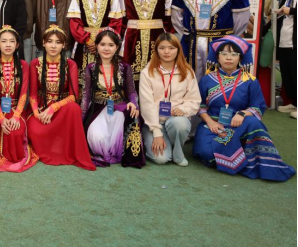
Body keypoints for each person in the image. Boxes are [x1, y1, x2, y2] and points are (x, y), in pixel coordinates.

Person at [193, 36, 295, 181]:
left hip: (238, 125)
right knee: (206, 153)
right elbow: (199, 105)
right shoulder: (207, 80)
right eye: (224, 53)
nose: (229, 58)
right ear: (217, 57)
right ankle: (242, 152)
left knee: (254, 123)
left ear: (240, 58)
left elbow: (257, 106)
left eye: (234, 54)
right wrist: (210, 122)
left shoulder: (250, 81)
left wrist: (242, 113)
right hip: (212, 125)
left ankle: (241, 153)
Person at [28, 25, 95, 170]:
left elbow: (73, 96)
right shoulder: (35, 63)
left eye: (58, 42)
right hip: (41, 109)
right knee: (35, 131)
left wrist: (53, 107)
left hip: (61, 110)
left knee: (74, 108)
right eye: (50, 41)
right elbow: (32, 94)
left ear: (64, 45)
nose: (53, 46)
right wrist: (37, 114)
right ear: (43, 43)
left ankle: (65, 149)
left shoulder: (70, 64)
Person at [0, 26, 38, 172]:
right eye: (4, 41)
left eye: (12, 41)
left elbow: (23, 94)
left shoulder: (23, 65)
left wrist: (16, 116)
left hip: (17, 109)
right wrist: (1, 119)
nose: (8, 45)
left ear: (17, 45)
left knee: (15, 133)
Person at [82, 29, 145, 168]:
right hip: (97, 109)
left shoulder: (125, 67)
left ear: (117, 47)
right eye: (102, 44)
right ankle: (101, 153)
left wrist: (134, 104)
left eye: (111, 45)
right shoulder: (90, 68)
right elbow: (85, 97)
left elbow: (131, 92)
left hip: (119, 108)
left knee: (131, 116)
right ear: (96, 46)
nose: (106, 48)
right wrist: (81, 122)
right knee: (97, 138)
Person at [139, 33, 201, 166]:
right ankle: (162, 143)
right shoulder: (147, 72)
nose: (166, 52)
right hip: (154, 123)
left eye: (171, 48)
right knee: (161, 159)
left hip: (176, 120)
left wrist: (183, 109)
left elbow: (194, 100)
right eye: (162, 48)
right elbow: (147, 104)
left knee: (179, 124)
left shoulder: (187, 72)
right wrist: (156, 132)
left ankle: (178, 152)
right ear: (156, 50)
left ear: (178, 49)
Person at [119, 0, 175, 86]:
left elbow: (170, 18)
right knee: (131, 79)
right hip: (132, 37)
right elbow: (121, 18)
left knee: (158, 77)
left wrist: (169, 39)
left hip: (158, 36)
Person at [68, 0, 123, 88]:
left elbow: (116, 22)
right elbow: (74, 23)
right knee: (82, 83)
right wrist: (87, 40)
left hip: (106, 44)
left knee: (106, 82)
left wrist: (101, 42)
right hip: (84, 45)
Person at [276, 0, 297, 117]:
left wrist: (291, 10)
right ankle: (294, 103)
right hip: (284, 42)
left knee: (295, 73)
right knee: (287, 74)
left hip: (295, 43)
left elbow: (291, 11)